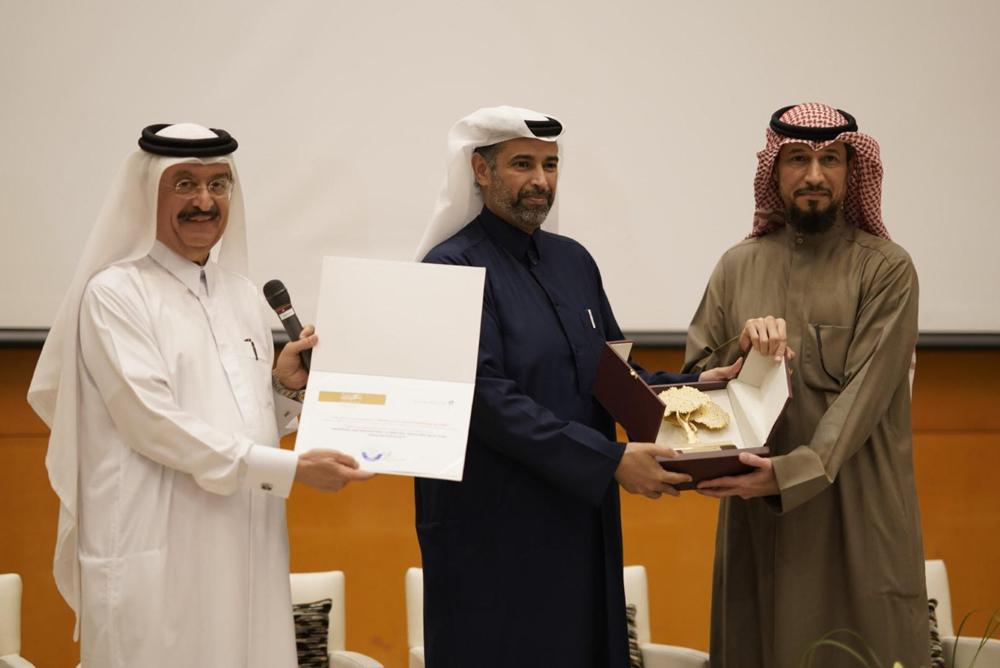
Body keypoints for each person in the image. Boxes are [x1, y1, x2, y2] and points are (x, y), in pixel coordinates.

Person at [27, 123, 374, 667]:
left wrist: (283, 386)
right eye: (184, 184)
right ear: (148, 194)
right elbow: (153, 423)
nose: (204, 201)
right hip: (160, 544)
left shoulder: (239, 293)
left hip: (246, 538)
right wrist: (289, 469)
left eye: (219, 184)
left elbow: (243, 415)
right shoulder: (116, 292)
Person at [412, 106, 741, 668]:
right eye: (522, 164)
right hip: (492, 528)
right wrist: (610, 460)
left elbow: (613, 376)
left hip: (577, 518)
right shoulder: (450, 268)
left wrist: (697, 385)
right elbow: (488, 401)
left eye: (551, 165)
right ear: (480, 170)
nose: (541, 181)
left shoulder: (574, 261)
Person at [684, 103, 928, 667]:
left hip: (854, 517)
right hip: (756, 522)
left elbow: (864, 399)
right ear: (774, 170)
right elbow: (693, 388)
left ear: (851, 170)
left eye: (830, 160)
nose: (815, 175)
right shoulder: (735, 267)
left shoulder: (886, 269)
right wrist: (738, 353)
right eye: (798, 159)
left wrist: (786, 476)